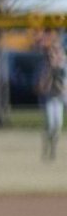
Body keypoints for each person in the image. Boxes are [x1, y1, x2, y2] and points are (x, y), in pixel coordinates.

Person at [37, 29, 67, 161]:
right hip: (50, 98)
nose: (55, 56)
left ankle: (53, 148)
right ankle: (46, 147)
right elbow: (42, 87)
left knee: (58, 125)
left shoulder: (63, 68)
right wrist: (50, 72)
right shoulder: (46, 68)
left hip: (60, 98)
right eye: (52, 54)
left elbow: (64, 87)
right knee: (50, 124)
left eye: (57, 52)